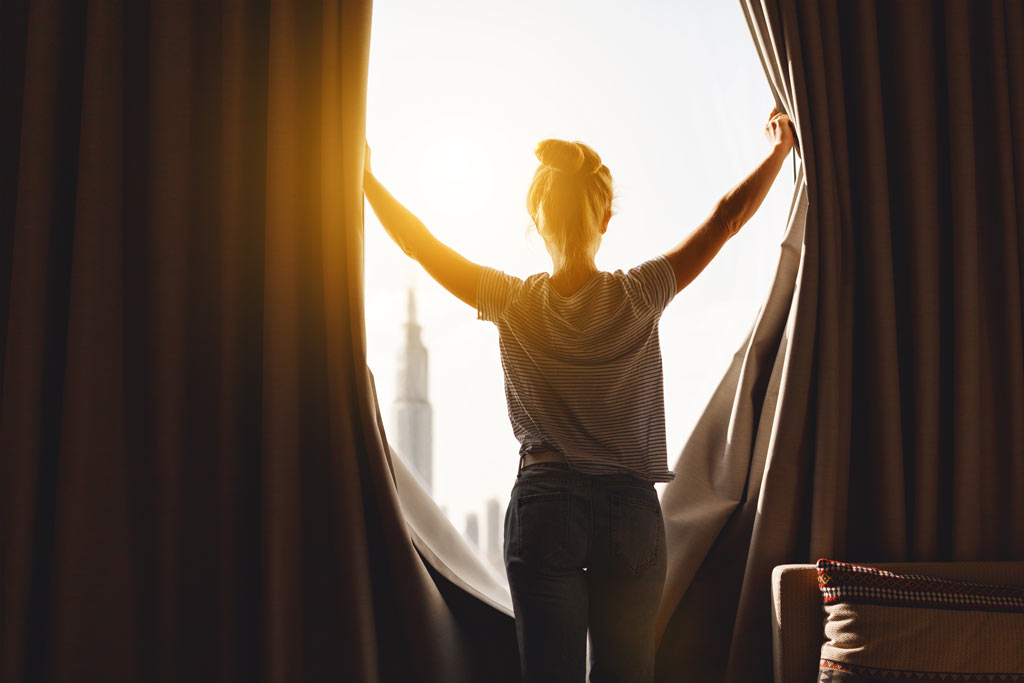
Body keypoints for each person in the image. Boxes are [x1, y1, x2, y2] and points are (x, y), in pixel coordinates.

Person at [362, 108, 796, 683]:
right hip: (631, 512)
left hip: (547, 508)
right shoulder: (640, 293)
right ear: (606, 219)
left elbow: (418, 243)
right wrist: (777, 151)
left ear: (536, 222)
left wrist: (365, 178)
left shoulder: (510, 301)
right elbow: (725, 220)